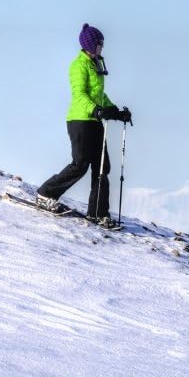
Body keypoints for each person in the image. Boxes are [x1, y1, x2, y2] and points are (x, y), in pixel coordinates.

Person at [36, 23, 132, 229]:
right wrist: (95, 110)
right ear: (90, 44)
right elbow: (80, 95)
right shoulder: (79, 65)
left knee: (102, 167)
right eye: (100, 43)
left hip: (95, 122)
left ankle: (98, 212)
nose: (102, 47)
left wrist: (115, 112)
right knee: (80, 164)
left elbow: (99, 95)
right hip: (80, 121)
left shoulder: (97, 64)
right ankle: (46, 193)